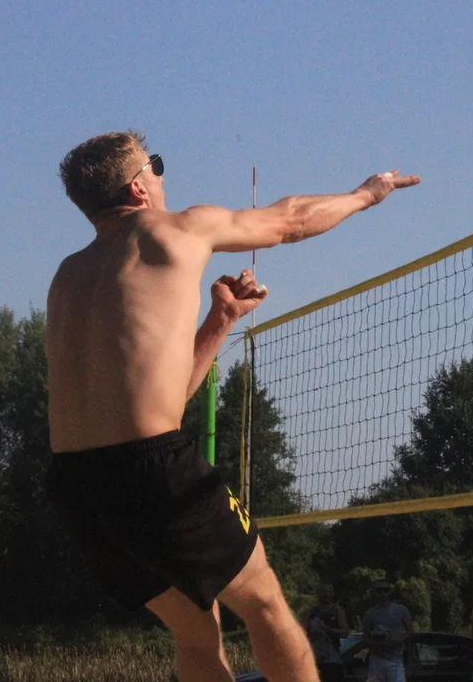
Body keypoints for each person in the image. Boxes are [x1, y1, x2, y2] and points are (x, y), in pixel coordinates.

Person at [46, 130, 420, 682]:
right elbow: (290, 220)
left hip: (76, 489)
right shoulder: (178, 229)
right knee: (265, 602)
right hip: (152, 471)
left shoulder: (67, 277)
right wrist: (366, 194)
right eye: (155, 165)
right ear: (137, 187)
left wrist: (220, 321)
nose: (163, 176)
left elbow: (161, 400)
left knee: (198, 631)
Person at [362, 580, 413, 682]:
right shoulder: (370, 614)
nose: (382, 593)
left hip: (395, 659)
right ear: (374, 592)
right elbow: (365, 636)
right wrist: (375, 643)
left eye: (385, 590)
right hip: (376, 660)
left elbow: (410, 631)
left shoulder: (400, 610)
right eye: (379, 590)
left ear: (390, 591)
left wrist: (398, 640)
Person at [302, 583, 350, 682]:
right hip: (313, 661)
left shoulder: (338, 612)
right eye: (324, 592)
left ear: (333, 594)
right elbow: (300, 635)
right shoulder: (310, 612)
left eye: (329, 592)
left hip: (333, 661)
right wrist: (312, 634)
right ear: (318, 593)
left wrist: (327, 629)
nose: (326, 594)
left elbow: (345, 633)